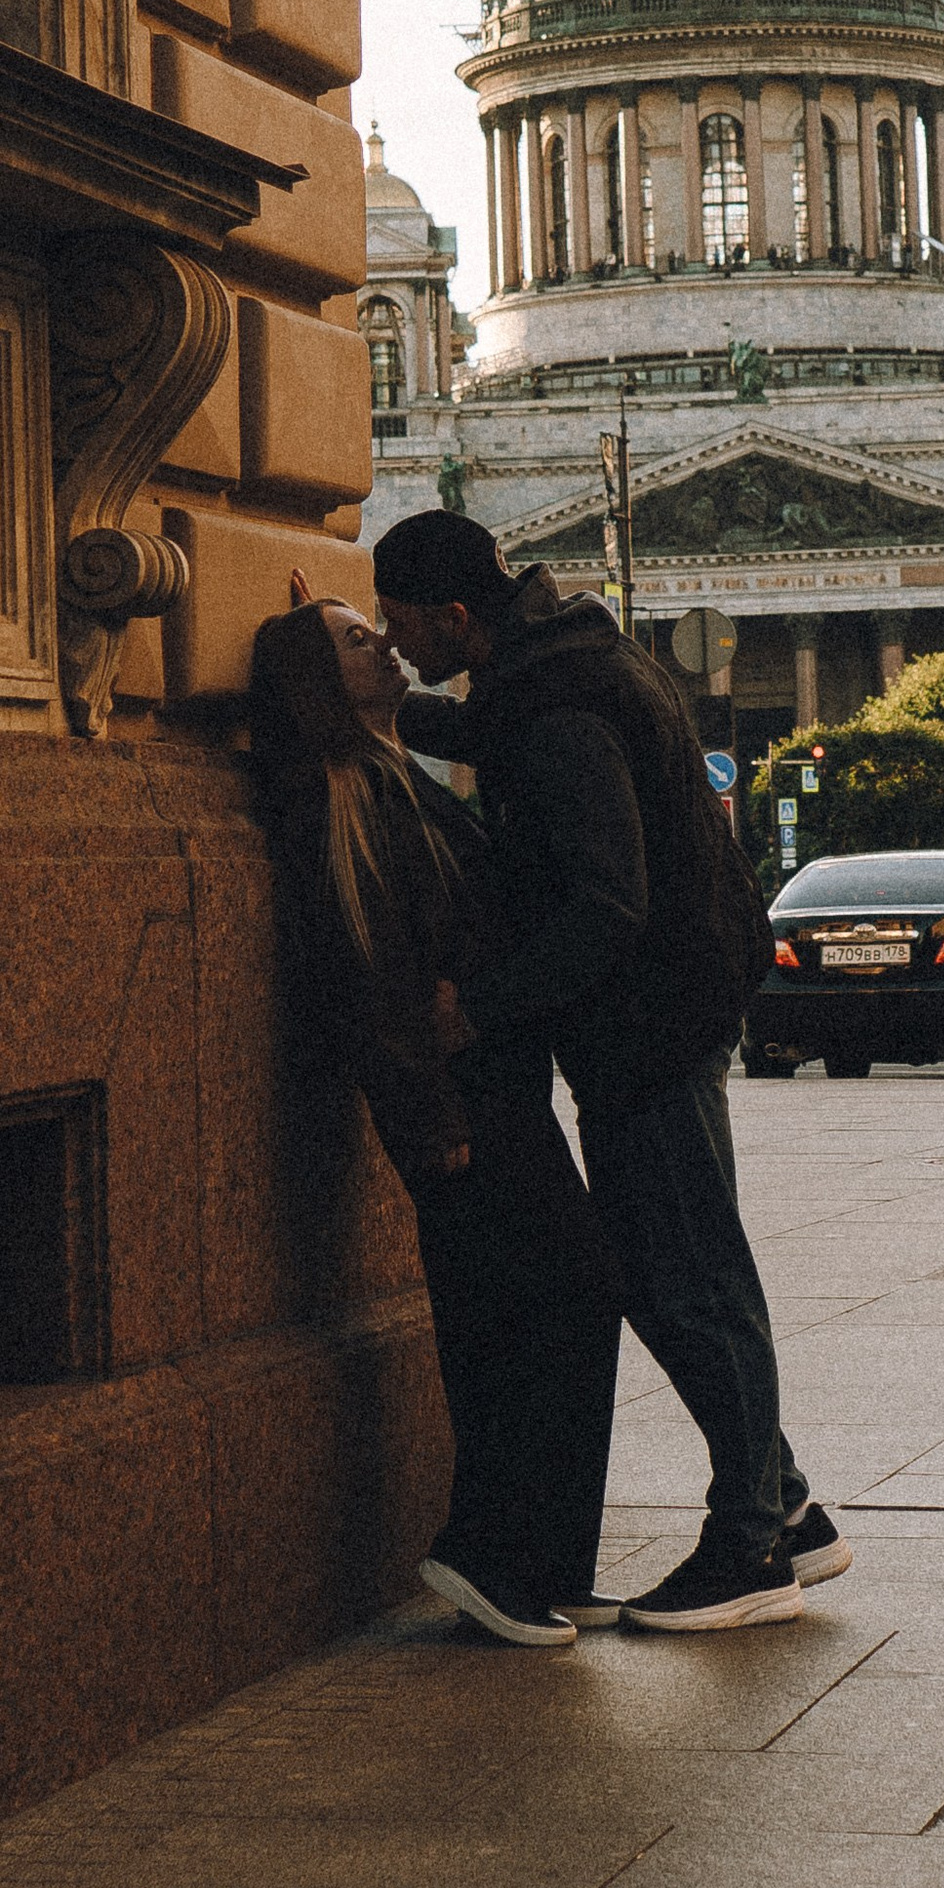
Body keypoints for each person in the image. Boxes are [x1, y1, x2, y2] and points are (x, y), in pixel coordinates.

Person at [371, 508, 844, 1633]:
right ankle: (788, 1507)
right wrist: (395, 709)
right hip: (663, 1008)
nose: (394, 648)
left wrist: (475, 1009)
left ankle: (749, 1553)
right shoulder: (557, 660)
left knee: (687, 1281)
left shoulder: (557, 701)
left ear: (452, 614)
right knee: (670, 1270)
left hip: (649, 1021)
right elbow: (507, 733)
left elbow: (603, 901)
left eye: (397, 629)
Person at [247, 596, 623, 1649]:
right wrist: (424, 1116)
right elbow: (367, 969)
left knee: (551, 1305)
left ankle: (542, 1556)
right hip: (458, 1101)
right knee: (532, 1311)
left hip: (495, 1082)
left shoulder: (387, 772)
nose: (384, 644)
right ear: (320, 681)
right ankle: (488, 1552)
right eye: (355, 640)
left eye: (375, 628)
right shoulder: (335, 794)